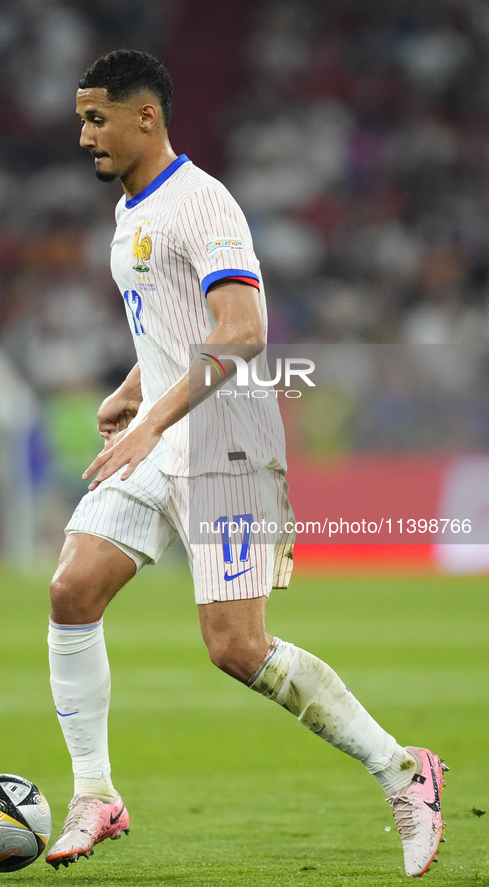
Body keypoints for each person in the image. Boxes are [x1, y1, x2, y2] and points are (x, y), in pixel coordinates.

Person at [45, 49, 447, 879]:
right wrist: (134, 388)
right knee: (71, 588)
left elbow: (242, 330)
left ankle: (402, 770)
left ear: (144, 117)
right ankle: (95, 793)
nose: (82, 133)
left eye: (95, 117)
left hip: (225, 441)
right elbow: (178, 320)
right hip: (163, 430)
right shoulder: (132, 208)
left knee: (237, 647)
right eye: (81, 117)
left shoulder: (203, 203)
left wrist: (151, 420)